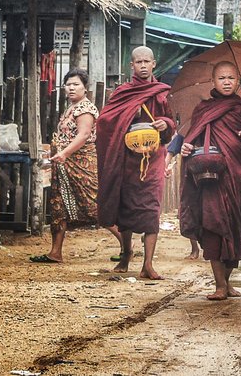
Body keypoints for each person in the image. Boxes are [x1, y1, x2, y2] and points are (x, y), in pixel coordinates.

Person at [179, 62, 241, 300]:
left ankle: (227, 282)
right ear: (213, 82)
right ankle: (218, 284)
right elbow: (193, 139)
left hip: (235, 177)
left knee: (236, 227)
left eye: (231, 78)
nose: (227, 82)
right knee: (213, 227)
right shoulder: (203, 109)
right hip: (210, 179)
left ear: (238, 82)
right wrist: (187, 147)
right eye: (221, 78)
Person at [96, 46, 175, 279]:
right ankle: (125, 254)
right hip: (128, 158)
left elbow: (172, 123)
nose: (142, 65)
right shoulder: (123, 93)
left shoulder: (161, 93)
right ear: (131, 66)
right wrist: (126, 121)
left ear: (153, 64)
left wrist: (165, 124)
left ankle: (148, 264)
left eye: (146, 61)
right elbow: (105, 121)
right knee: (127, 208)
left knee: (151, 209)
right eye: (138, 62)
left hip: (153, 159)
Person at [31, 69, 121, 263]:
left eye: (76, 84)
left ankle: (127, 246)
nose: (71, 88)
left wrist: (64, 153)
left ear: (85, 87)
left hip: (82, 165)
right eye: (68, 84)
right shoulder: (71, 107)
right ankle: (55, 252)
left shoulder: (85, 109)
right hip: (64, 165)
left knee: (95, 206)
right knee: (59, 206)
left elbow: (84, 135)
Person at [165, 126, 200, 260]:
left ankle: (211, 248)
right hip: (190, 172)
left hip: (213, 170)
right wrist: (165, 165)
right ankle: (194, 248)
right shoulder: (189, 125)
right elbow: (172, 149)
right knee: (190, 208)